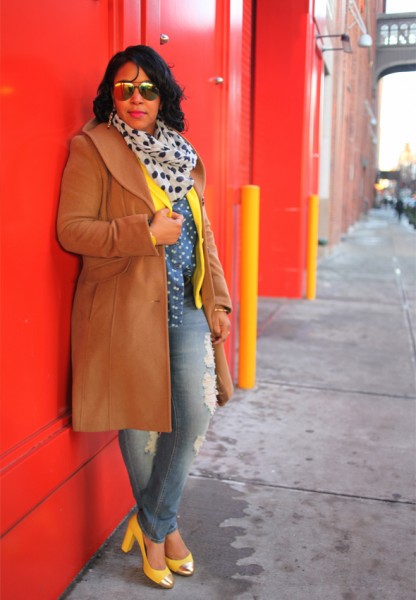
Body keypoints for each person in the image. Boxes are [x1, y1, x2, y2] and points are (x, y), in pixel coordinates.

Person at [57, 44, 233, 590]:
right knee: (142, 425)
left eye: (147, 88)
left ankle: (152, 523)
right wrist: (144, 234)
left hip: (185, 304)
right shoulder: (94, 147)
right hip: (126, 309)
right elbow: (73, 229)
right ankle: (165, 534)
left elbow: (204, 235)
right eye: (124, 88)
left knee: (195, 416)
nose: (136, 98)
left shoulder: (181, 151)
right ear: (111, 94)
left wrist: (220, 299)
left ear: (164, 96)